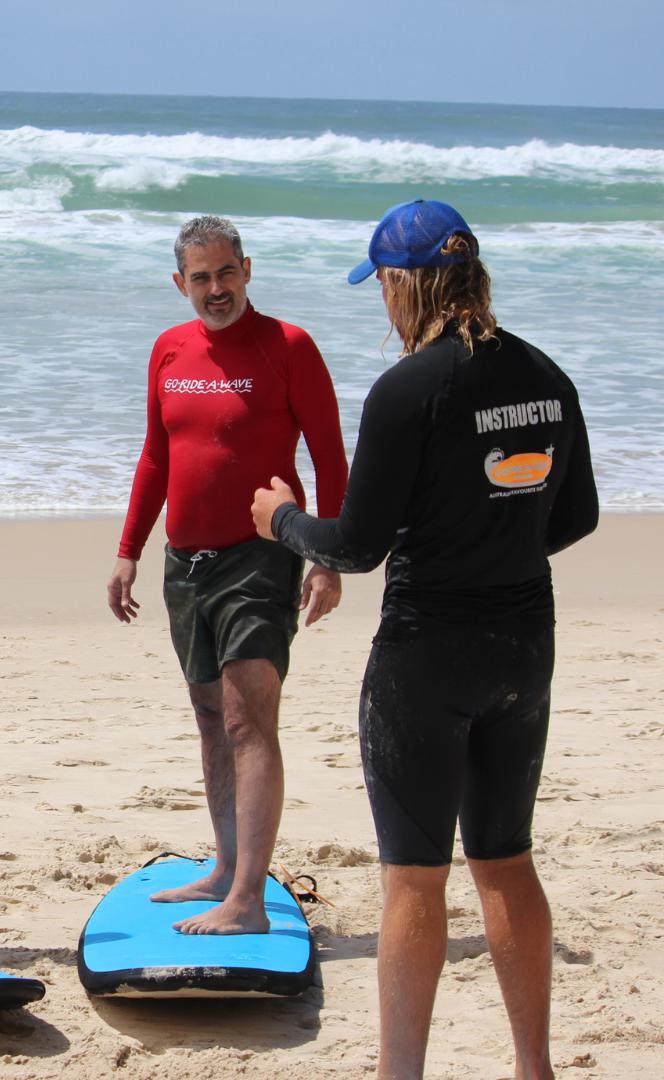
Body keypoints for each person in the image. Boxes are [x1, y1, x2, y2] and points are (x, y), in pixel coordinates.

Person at [252, 199, 597, 1079]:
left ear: (406, 282)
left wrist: (283, 518)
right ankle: (534, 1068)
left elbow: (357, 546)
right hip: (523, 644)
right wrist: (497, 544)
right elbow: (578, 515)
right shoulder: (546, 375)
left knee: (414, 875)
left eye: (383, 287)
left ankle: (401, 1073)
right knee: (505, 857)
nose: (383, 304)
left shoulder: (408, 389)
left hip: (427, 654)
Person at [107, 215, 348, 935]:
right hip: (186, 561)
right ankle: (225, 866)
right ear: (180, 284)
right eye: (201, 278)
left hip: (261, 556)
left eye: (227, 273)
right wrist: (129, 550)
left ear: (248, 268)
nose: (216, 289)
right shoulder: (168, 349)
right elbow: (156, 457)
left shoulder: (289, 347)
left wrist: (328, 559)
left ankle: (246, 901)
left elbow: (332, 460)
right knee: (211, 719)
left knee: (248, 720)